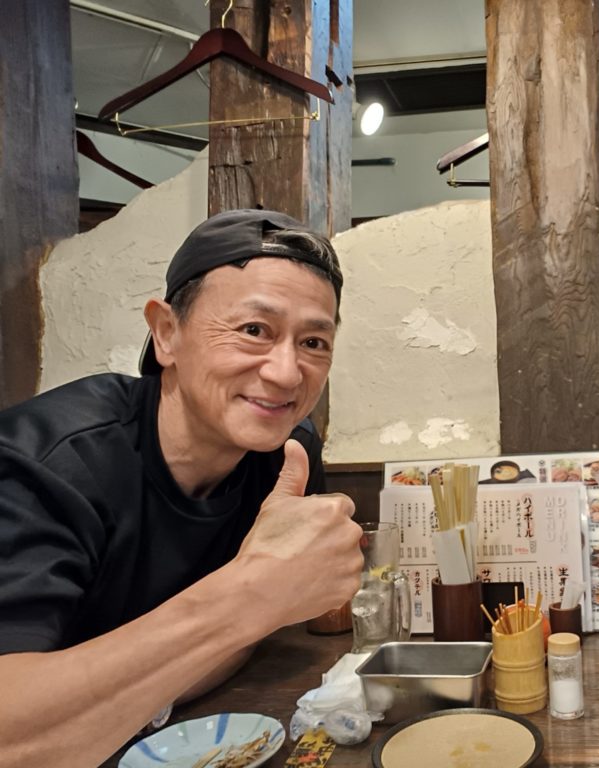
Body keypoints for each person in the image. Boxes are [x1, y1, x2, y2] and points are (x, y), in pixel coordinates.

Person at [0, 209, 365, 767]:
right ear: (166, 333)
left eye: (314, 341)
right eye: (254, 330)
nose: (287, 373)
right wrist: (246, 595)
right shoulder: (49, 463)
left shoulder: (286, 454)